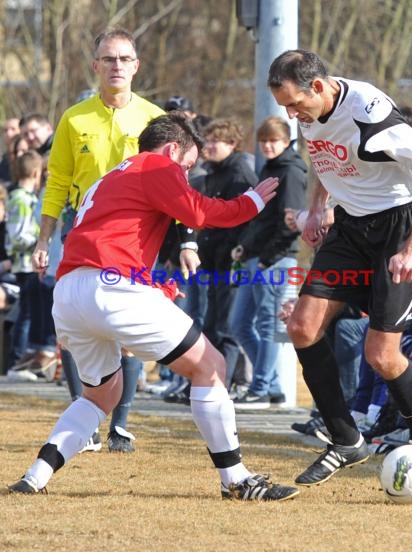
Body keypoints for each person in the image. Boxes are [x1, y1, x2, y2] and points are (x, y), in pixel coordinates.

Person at [8, 112, 299, 502]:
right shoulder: (158, 164)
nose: (187, 172)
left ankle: (35, 475)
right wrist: (249, 203)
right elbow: (197, 211)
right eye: (188, 164)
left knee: (99, 396)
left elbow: (113, 241)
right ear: (172, 148)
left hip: (71, 290)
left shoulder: (113, 175)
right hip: (110, 290)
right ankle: (237, 479)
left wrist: (149, 283)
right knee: (210, 366)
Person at [268, 49, 412, 487]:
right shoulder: (310, 111)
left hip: (399, 228)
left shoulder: (371, 114)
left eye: (294, 104)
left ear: (319, 86)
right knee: (302, 328)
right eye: (284, 107)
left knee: (381, 354)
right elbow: (322, 158)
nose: (291, 114)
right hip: (349, 226)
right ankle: (346, 440)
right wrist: (317, 207)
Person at [33, 28, 165, 453]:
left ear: (137, 66)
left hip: (136, 236)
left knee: (127, 327)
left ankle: (120, 425)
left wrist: (186, 242)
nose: (117, 66)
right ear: (95, 66)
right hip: (83, 231)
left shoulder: (154, 118)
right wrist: (44, 237)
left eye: (125, 59)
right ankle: (85, 417)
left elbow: (173, 183)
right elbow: (57, 184)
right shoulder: (74, 118)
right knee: (75, 328)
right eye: (109, 59)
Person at [230, 115, 307, 409]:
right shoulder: (268, 169)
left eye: (273, 140)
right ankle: (271, 384)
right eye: (263, 141)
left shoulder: (291, 171)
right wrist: (245, 248)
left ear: (287, 142)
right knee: (239, 324)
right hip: (256, 259)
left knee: (266, 326)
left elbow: (289, 223)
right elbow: (260, 218)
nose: (267, 145)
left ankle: (261, 387)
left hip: (275, 261)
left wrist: (266, 259)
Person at [198, 118, 259, 390]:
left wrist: (233, 252)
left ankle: (226, 382)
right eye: (207, 140)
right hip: (212, 261)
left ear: (232, 144)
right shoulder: (212, 172)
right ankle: (207, 380)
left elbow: (243, 221)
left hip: (231, 263)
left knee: (226, 327)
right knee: (211, 326)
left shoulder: (240, 175)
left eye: (214, 141)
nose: (208, 147)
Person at [5, 151, 42, 373]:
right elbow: (17, 236)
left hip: (32, 264)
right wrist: (41, 241)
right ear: (36, 172)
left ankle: (25, 357)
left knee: (31, 311)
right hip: (25, 264)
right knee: (26, 314)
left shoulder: (29, 198)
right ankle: (18, 360)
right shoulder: (20, 198)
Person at [0, 118, 20, 185]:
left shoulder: (29, 154)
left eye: (13, 129)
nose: (8, 133)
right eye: (5, 130)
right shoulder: (4, 159)